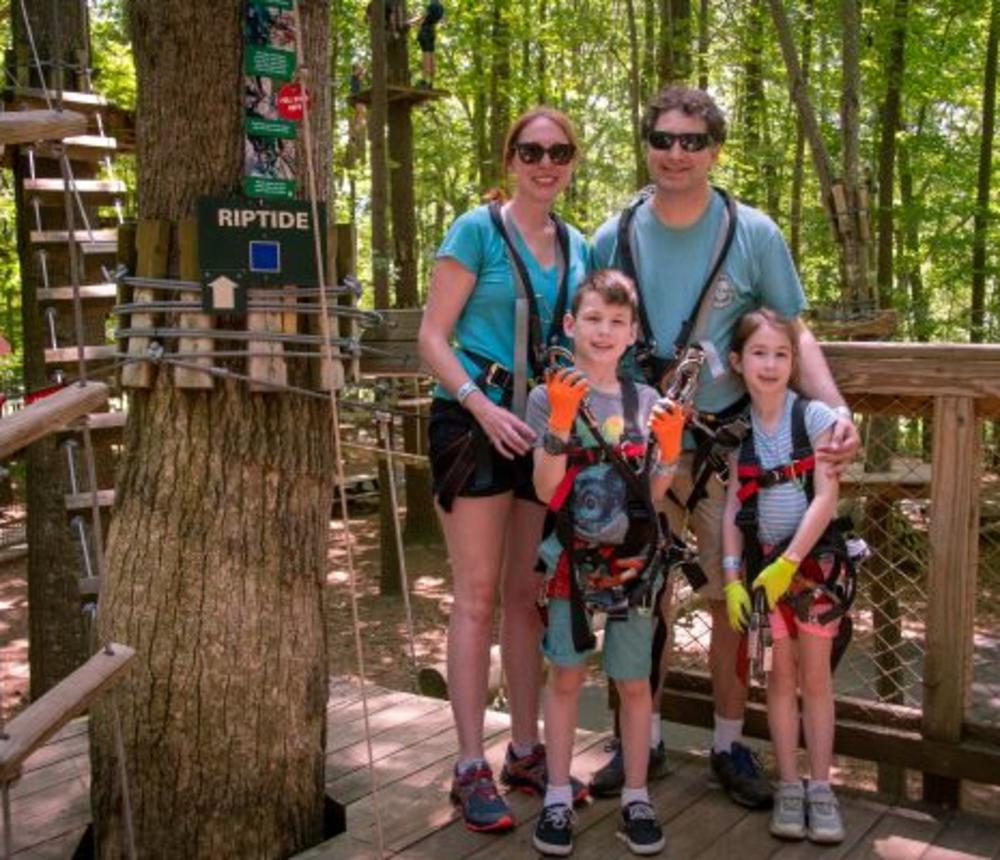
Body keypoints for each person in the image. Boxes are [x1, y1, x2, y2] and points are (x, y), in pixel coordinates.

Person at [589, 84, 859, 807]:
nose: (676, 154)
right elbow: (585, 340)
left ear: (714, 149)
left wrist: (832, 410)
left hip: (725, 453)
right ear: (645, 143)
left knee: (729, 602)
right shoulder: (610, 236)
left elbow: (794, 335)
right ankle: (636, 744)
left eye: (692, 141)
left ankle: (728, 744)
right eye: (663, 139)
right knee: (637, 598)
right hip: (638, 454)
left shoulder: (753, 234)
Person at [418, 107, 591, 833]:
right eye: (530, 150)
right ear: (509, 157)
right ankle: (467, 765)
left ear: (573, 161)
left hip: (542, 431)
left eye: (558, 152)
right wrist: (480, 407)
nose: (544, 163)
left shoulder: (579, 246)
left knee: (527, 594)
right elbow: (431, 335)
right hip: (473, 422)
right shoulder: (476, 230)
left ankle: (525, 749)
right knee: (478, 593)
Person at [525, 270, 683, 856]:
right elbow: (545, 490)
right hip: (571, 556)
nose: (604, 330)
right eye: (592, 319)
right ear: (571, 325)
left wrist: (668, 452)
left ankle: (637, 793)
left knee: (634, 681)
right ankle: (558, 796)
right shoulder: (549, 396)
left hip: (633, 562)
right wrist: (561, 424)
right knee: (565, 675)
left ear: (633, 332)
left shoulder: (646, 400)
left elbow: (656, 496)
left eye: (617, 322)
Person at [721, 308, 846, 843]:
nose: (769, 364)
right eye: (758, 353)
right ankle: (789, 785)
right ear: (737, 361)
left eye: (780, 354)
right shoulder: (739, 431)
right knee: (779, 677)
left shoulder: (813, 419)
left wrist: (789, 563)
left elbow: (826, 497)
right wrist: (731, 574)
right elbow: (733, 507)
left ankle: (821, 787)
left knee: (816, 678)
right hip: (759, 572)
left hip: (811, 570)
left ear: (794, 362)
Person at [408, 1, 445, 87]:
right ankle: (431, 82)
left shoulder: (432, 5)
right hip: (432, 31)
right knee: (432, 55)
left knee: (426, 55)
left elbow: (423, 17)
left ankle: (424, 80)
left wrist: (410, 22)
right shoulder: (441, 7)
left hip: (425, 32)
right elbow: (441, 21)